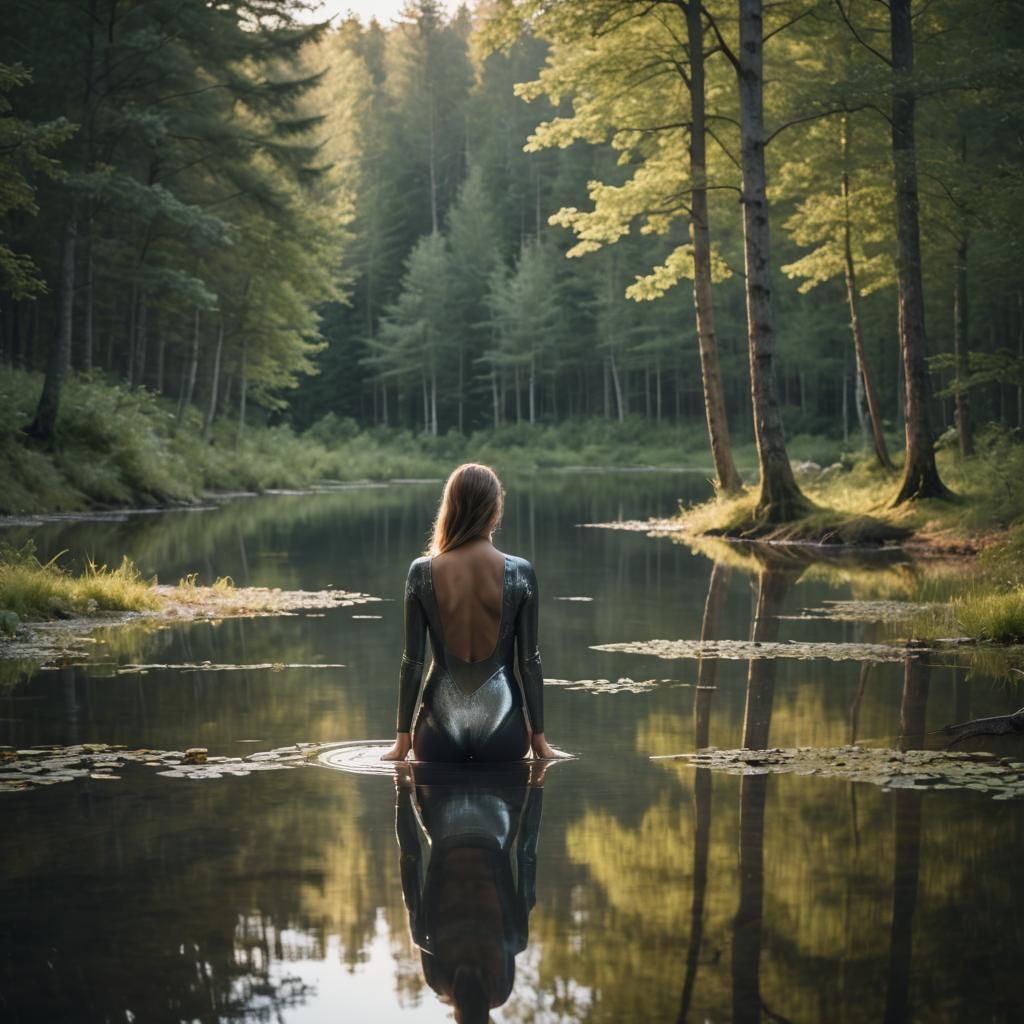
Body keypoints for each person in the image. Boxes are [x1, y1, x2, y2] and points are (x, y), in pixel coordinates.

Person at [381, 463, 563, 763]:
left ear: (450, 507)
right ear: (495, 510)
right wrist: (540, 740)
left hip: (437, 726)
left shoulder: (422, 572)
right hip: (503, 724)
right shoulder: (520, 572)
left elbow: (412, 661)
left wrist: (402, 741)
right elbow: (529, 661)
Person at [394, 762, 545, 1023]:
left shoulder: (515, 941)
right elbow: (410, 857)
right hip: (442, 810)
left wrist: (537, 786)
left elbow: (527, 855)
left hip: (498, 811)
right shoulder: (427, 945)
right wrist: (402, 789)